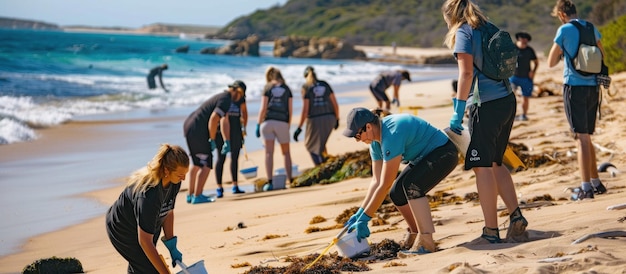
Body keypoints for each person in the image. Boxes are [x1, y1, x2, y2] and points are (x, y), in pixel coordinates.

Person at [442, 0, 528, 243]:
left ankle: (491, 232)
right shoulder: (487, 26)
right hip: (507, 100)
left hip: (485, 105)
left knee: (482, 167)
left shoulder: (463, 32)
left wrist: (458, 111)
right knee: (496, 162)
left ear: (450, 16)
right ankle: (516, 216)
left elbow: (466, 73)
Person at [342, 107, 458, 254]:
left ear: (369, 127)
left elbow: (385, 183)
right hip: (424, 158)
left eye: (357, 136)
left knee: (411, 186)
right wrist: (360, 213)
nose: (358, 140)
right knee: (396, 193)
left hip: (444, 153)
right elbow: (376, 181)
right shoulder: (375, 144)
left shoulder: (392, 133)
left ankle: (426, 241)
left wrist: (366, 218)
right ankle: (415, 233)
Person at [547, 0, 607, 199]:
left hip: (574, 86)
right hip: (593, 87)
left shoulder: (564, 30)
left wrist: (565, 52)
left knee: (581, 137)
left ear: (562, 14)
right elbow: (602, 55)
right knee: (587, 135)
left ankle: (585, 188)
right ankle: (596, 182)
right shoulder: (591, 27)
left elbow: (550, 62)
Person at [106, 144, 189, 274]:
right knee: (150, 269)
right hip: (123, 228)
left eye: (185, 174)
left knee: (143, 267)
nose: (183, 178)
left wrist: (172, 245)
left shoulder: (174, 182)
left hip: (148, 222)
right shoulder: (148, 196)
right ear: (167, 170)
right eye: (180, 175)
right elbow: (144, 241)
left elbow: (168, 211)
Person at [183, 80, 246, 203]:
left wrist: (226, 140)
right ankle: (198, 195)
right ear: (237, 91)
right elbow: (214, 119)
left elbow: (224, 121)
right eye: (240, 95)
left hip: (189, 126)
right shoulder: (226, 99)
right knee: (206, 164)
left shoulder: (221, 97)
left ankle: (190, 195)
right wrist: (212, 139)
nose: (239, 99)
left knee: (196, 164)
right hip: (198, 130)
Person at [255, 66, 293, 189]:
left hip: (267, 122)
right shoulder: (287, 89)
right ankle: (290, 179)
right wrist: (288, 125)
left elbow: (263, 108)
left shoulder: (267, 87)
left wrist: (258, 123)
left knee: (268, 153)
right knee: (286, 153)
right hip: (282, 122)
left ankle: (270, 182)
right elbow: (290, 110)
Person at [294, 66, 340, 165]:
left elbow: (305, 110)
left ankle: (320, 167)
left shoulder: (306, 87)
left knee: (310, 146)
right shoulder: (325, 84)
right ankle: (326, 163)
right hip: (330, 117)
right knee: (321, 143)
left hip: (315, 119)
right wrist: (336, 119)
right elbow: (335, 104)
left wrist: (299, 128)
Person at [214, 86, 248, 197]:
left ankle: (235, 185)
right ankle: (219, 187)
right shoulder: (225, 99)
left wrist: (244, 128)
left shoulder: (241, 99)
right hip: (222, 133)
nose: (238, 95)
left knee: (235, 158)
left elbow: (244, 112)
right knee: (221, 158)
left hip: (236, 132)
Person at [509, 32, 539, 121]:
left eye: (526, 39)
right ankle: (511, 115)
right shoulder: (512, 48)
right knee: (511, 97)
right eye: (523, 38)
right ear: (518, 39)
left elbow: (536, 62)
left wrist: (533, 72)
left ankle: (524, 115)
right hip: (513, 76)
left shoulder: (529, 50)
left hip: (526, 77)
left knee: (525, 97)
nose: (524, 41)